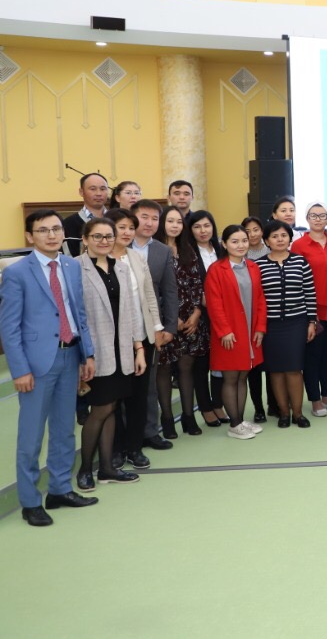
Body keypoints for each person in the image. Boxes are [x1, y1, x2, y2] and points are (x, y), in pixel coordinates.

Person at [1, 210, 99, 526]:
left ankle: (59, 489)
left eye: (56, 228)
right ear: (30, 236)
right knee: (31, 437)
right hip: (36, 364)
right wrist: (19, 370)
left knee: (64, 430)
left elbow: (79, 314)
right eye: (43, 230)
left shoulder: (71, 266)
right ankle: (30, 501)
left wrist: (87, 354)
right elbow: (9, 327)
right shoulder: (17, 273)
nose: (52, 235)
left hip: (70, 356)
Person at [77, 217, 147, 487]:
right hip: (95, 353)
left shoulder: (121, 267)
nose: (104, 241)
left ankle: (107, 468)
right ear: (85, 239)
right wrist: (85, 355)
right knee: (101, 408)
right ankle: (85, 469)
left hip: (121, 350)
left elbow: (130, 312)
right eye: (97, 236)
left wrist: (138, 348)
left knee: (112, 407)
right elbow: (76, 316)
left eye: (108, 236)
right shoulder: (76, 268)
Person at [104, 209, 163, 469]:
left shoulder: (136, 257)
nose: (127, 232)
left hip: (142, 335)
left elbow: (149, 294)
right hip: (112, 340)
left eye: (131, 227)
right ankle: (116, 448)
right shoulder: (98, 260)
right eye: (122, 227)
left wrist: (157, 327)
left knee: (139, 395)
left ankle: (135, 448)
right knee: (116, 397)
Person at [205, 225, 267, 439]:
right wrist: (224, 331)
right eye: (234, 241)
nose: (240, 245)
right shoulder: (216, 270)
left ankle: (239, 420)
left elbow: (260, 299)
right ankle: (234, 424)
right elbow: (214, 304)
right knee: (231, 377)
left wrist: (260, 327)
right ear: (224, 244)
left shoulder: (253, 267)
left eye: (244, 240)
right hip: (229, 333)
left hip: (250, 331)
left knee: (243, 376)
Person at [257, 219, 316, 428]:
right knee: (275, 370)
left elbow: (310, 293)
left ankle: (298, 414)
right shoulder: (258, 265)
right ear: (267, 241)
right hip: (271, 326)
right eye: (274, 236)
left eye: (283, 235)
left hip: (296, 323)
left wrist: (312, 321)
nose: (280, 239)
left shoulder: (301, 262)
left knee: (294, 369)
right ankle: (283, 413)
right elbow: (258, 298)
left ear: (290, 238)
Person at [129, 200, 178, 450]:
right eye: (144, 217)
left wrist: (169, 327)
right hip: (122, 326)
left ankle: (150, 431)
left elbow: (170, 291)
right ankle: (125, 438)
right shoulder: (117, 245)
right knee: (124, 385)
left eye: (155, 218)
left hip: (152, 326)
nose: (149, 223)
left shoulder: (162, 250)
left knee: (149, 382)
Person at [156, 206, 209, 435]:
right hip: (165, 320)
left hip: (191, 320)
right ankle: (167, 419)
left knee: (187, 368)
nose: (175, 225)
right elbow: (154, 289)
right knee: (165, 369)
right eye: (170, 221)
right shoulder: (155, 250)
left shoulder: (189, 250)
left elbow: (198, 284)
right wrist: (171, 318)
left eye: (179, 222)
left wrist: (196, 313)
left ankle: (189, 417)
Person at [293, 204, 327, 417]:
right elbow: (297, 280)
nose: (318, 219)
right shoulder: (299, 245)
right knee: (312, 356)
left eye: (322, 215)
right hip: (313, 310)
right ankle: (315, 399)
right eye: (313, 215)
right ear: (307, 218)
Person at [188, 210, 227, 425]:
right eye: (197, 227)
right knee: (202, 364)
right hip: (200, 315)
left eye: (206, 225)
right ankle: (205, 407)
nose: (203, 231)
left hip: (222, 314)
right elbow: (187, 285)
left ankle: (218, 404)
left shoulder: (222, 250)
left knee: (221, 362)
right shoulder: (188, 253)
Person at [63, 172, 109, 256]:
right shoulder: (69, 224)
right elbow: (68, 257)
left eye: (103, 189)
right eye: (93, 189)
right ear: (81, 192)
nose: (98, 193)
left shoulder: (116, 220)